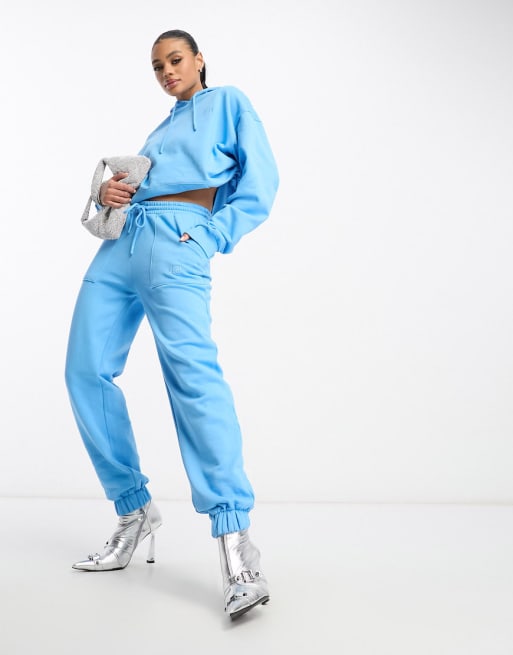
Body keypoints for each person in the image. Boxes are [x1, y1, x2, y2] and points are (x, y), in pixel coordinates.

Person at [65, 29, 279, 620]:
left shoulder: (228, 102)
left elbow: (261, 183)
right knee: (84, 372)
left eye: (175, 60)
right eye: (158, 65)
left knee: (192, 380)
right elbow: (139, 188)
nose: (167, 71)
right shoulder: (160, 129)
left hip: (179, 241)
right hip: (121, 245)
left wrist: (213, 233)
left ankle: (237, 548)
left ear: (199, 59)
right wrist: (112, 193)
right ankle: (133, 511)